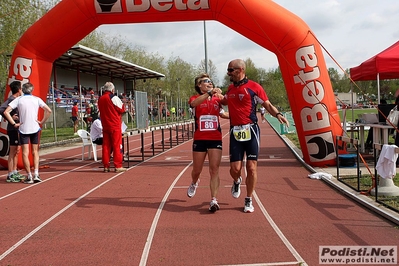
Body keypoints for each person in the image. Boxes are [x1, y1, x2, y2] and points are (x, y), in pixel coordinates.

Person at [221, 59, 289, 213]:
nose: (228, 73)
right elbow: (223, 101)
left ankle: (248, 199)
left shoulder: (254, 87)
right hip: (235, 132)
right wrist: (215, 95)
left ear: (240, 70)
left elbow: (267, 104)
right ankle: (237, 180)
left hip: (251, 130)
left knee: (251, 168)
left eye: (230, 70)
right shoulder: (230, 88)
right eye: (228, 70)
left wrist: (278, 114)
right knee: (235, 168)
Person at [186, 74, 229, 212]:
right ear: (199, 85)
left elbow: (224, 112)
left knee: (214, 169)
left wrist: (241, 116)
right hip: (200, 139)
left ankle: (214, 200)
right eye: (206, 81)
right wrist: (210, 93)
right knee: (197, 170)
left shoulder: (217, 99)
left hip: (215, 138)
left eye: (210, 81)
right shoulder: (194, 98)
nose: (209, 83)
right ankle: (194, 182)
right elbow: (194, 104)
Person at [3, 82, 52, 184]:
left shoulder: (18, 100)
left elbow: (5, 112)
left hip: (23, 128)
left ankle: (29, 176)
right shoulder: (36, 99)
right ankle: (36, 174)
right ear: (32, 90)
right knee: (35, 152)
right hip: (35, 128)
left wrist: (13, 123)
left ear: (22, 89)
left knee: (25, 153)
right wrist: (42, 121)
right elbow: (49, 111)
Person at [97, 82, 126, 172]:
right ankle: (118, 165)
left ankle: (106, 165)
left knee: (106, 146)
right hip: (114, 125)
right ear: (112, 90)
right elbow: (122, 109)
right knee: (117, 145)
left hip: (105, 125)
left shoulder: (100, 99)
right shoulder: (113, 97)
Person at [0, 81, 24, 182]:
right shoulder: (11, 99)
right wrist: (9, 117)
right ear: (19, 89)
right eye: (21, 88)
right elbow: (1, 109)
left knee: (17, 151)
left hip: (18, 128)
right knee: (12, 151)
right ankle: (10, 174)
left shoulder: (17, 100)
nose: (22, 90)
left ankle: (14, 171)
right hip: (12, 128)